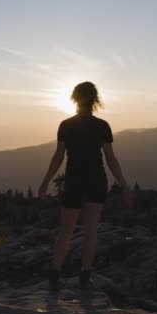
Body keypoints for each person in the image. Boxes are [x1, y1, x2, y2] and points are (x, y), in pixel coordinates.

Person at [38, 81, 133, 290]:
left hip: (74, 180)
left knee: (66, 231)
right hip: (96, 180)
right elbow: (110, 159)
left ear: (74, 98)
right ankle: (85, 275)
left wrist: (45, 182)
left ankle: (55, 275)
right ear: (95, 100)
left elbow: (58, 157)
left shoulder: (66, 125)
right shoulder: (102, 126)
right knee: (91, 230)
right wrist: (124, 185)